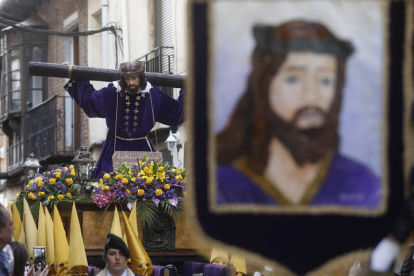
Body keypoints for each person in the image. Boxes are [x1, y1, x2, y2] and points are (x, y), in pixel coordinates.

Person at [216, 20, 381, 208]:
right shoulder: (221, 185)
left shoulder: (363, 185)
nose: (312, 95)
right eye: (293, 78)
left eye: (326, 80)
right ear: (264, 85)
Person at [64, 61, 184, 178]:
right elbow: (90, 100)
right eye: (127, 79)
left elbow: (175, 111)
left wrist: (187, 88)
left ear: (141, 78)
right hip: (115, 147)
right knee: (107, 183)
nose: (131, 83)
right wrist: (74, 73)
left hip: (143, 147)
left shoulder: (153, 94)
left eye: (134, 79)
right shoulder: (112, 92)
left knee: (147, 184)